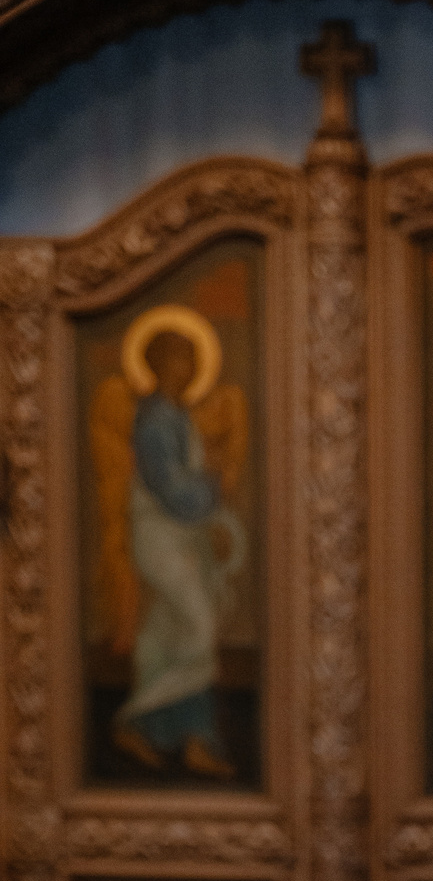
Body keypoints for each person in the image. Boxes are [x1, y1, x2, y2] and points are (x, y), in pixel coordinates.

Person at [113, 327, 245, 779]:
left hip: (183, 536)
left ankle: (179, 737)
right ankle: (139, 718)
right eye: (179, 359)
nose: (187, 369)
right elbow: (172, 490)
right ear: (156, 364)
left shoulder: (176, 415)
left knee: (167, 632)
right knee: (198, 628)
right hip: (160, 536)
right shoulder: (155, 420)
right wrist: (215, 486)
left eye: (192, 359)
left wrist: (211, 510)